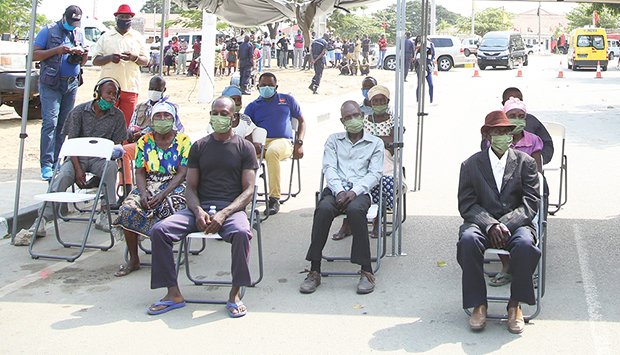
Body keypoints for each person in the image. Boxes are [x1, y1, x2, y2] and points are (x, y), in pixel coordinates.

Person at [146, 96, 258, 317]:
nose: (218, 118)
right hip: (200, 207)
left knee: (243, 233)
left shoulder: (245, 148)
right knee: (160, 230)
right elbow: (190, 186)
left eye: (223, 114)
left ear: (234, 118)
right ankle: (173, 293)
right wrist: (197, 210)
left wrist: (225, 213)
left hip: (231, 209)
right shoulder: (199, 146)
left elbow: (248, 190)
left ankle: (235, 293)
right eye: (214, 113)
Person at [457, 110, 541, 334]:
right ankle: (479, 304)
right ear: (487, 135)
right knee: (467, 239)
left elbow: (531, 203)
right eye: (497, 131)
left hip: (517, 223)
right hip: (482, 224)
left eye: (506, 132)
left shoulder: (526, 163)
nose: (503, 136)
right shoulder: (470, 164)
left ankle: (515, 305)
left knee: (525, 244)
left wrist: (505, 223)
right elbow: (466, 204)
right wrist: (490, 224)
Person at [300, 100, 384, 295]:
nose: (353, 119)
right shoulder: (333, 140)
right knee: (323, 210)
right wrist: (339, 191)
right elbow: (329, 168)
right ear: (342, 121)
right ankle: (314, 270)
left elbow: (374, 174)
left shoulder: (375, 143)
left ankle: (366, 271)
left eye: (356, 115)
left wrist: (354, 191)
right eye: (348, 117)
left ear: (362, 116)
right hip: (336, 190)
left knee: (356, 211)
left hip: (360, 191)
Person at [28, 78, 127, 238]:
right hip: (77, 158)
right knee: (63, 177)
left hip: (100, 160)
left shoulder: (117, 116)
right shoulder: (79, 111)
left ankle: (105, 214)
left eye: (115, 95)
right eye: (108, 93)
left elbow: (117, 145)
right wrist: (78, 170)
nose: (111, 98)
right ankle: (41, 220)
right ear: (97, 93)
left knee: (111, 167)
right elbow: (71, 143)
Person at [112, 101, 190, 277]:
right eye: (158, 116)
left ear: (174, 118)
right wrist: (143, 192)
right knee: (128, 209)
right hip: (149, 183)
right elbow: (139, 171)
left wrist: (163, 194)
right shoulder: (144, 141)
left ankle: (164, 257)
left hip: (174, 185)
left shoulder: (183, 141)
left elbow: (182, 173)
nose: (162, 119)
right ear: (152, 120)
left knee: (168, 208)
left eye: (166, 116)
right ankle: (133, 258)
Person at [483, 97, 544, 287]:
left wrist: (508, 222)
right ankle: (507, 267)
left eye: (521, 116)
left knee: (524, 236)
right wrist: (495, 222)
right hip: (496, 209)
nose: (502, 136)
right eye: (512, 116)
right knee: (473, 237)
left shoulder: (528, 155)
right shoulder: (477, 162)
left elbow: (532, 190)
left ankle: (524, 275)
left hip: (521, 207)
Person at [333, 85, 397, 241]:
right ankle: (347, 223)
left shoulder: (394, 119)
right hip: (363, 158)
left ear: (387, 101)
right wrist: (382, 141)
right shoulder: (364, 120)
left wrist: (375, 141)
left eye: (382, 100)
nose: (379, 103)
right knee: (353, 178)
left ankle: (377, 221)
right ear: (370, 103)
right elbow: (361, 140)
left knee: (382, 174)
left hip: (386, 158)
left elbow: (394, 141)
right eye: (375, 101)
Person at [33, 5, 88, 181]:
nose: (73, 25)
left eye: (76, 22)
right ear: (63, 17)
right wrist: (57, 50)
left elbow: (84, 62)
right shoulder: (48, 31)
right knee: (50, 122)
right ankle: (46, 165)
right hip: (51, 83)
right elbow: (34, 54)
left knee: (64, 125)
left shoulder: (79, 33)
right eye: (71, 21)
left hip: (71, 84)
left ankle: (57, 160)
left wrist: (83, 53)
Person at [244, 73, 306, 215]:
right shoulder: (252, 106)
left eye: (270, 85)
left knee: (273, 152)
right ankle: (242, 195)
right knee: (240, 154)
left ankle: (273, 198)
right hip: (259, 143)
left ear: (276, 87)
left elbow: (301, 121)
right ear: (258, 87)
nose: (267, 88)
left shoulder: (287, 100)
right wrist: (251, 144)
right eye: (263, 85)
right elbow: (245, 129)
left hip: (282, 142)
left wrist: (300, 142)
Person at [120, 76, 184, 200]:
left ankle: (130, 189)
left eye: (156, 89)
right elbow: (132, 124)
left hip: (159, 144)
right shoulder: (141, 106)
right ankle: (125, 188)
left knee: (125, 152)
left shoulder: (169, 108)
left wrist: (145, 133)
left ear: (163, 89)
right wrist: (132, 132)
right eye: (151, 88)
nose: (153, 91)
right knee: (120, 150)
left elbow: (176, 130)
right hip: (140, 143)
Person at [91, 4, 148, 127]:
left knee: (126, 124)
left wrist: (134, 58)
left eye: (128, 17)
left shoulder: (137, 37)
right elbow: (95, 60)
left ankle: (123, 146)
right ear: (116, 18)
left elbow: (146, 61)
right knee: (104, 121)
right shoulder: (105, 37)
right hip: (108, 89)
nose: (125, 19)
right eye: (122, 16)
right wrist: (110, 57)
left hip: (130, 87)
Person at [498, 87, 554, 165]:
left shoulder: (533, 130)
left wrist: (538, 160)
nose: (515, 103)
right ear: (503, 103)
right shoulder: (496, 127)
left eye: (521, 116)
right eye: (512, 116)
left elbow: (547, 144)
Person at [414, 36, 435, 104]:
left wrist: (430, 61)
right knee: (420, 84)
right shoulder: (418, 46)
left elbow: (433, 55)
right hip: (420, 67)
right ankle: (418, 100)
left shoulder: (430, 45)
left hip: (428, 67)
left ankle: (431, 99)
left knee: (431, 85)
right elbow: (416, 57)